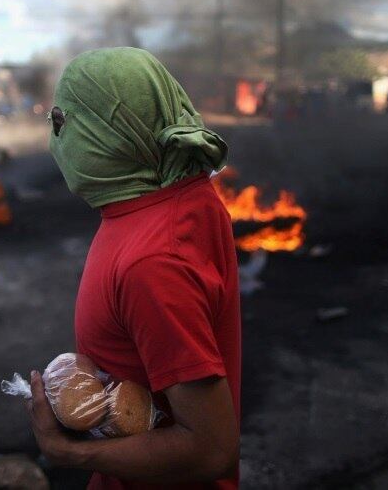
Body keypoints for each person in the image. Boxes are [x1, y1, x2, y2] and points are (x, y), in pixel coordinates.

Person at [26, 48, 241, 489]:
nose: (54, 136)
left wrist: (69, 451)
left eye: (64, 122)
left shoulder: (153, 261)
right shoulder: (178, 193)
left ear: (110, 132)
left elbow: (211, 448)